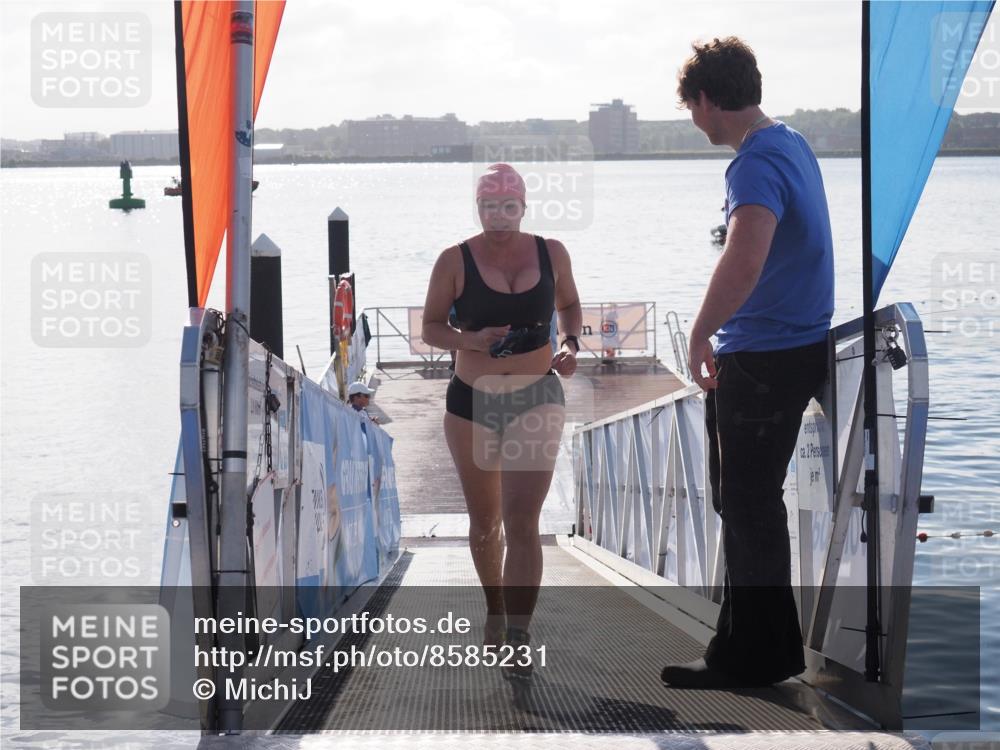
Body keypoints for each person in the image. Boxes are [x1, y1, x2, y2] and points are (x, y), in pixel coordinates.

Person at [660, 37, 833, 689]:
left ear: (708, 100)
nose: (696, 121)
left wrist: (701, 332)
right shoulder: (792, 143)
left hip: (764, 354)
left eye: (692, 109)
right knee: (748, 504)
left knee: (750, 506)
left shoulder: (755, 162)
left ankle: (756, 657)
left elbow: (746, 252)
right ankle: (745, 647)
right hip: (791, 346)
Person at [421, 163, 583, 673]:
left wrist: (573, 342)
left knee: (523, 522)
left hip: (537, 396)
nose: (499, 215)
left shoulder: (551, 252)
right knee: (486, 523)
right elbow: (429, 327)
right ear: (478, 207)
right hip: (473, 400)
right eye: (489, 206)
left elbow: (571, 303)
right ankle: (495, 608)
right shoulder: (455, 258)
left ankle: (517, 634)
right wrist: (470, 339)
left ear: (523, 207)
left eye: (508, 206)